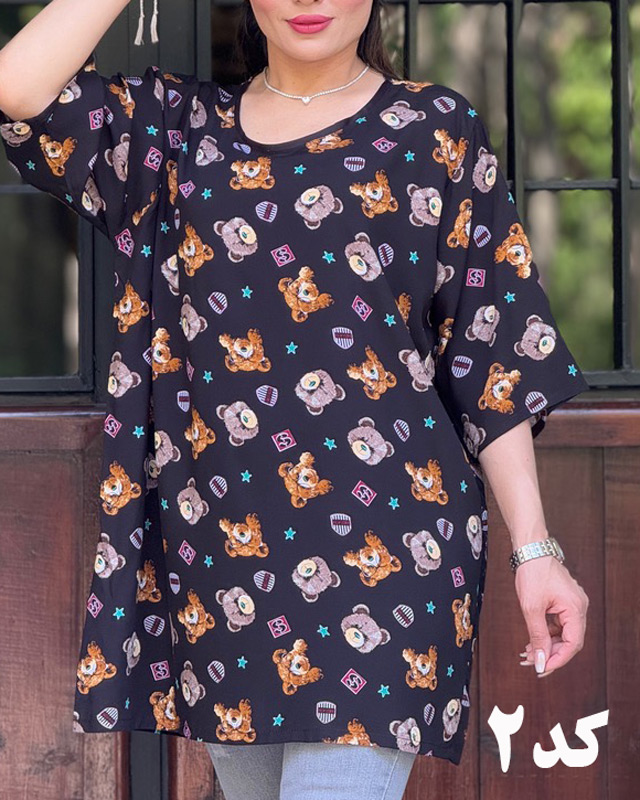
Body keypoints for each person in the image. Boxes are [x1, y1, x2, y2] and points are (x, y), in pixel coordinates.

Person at [0, 1, 590, 798]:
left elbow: (493, 358)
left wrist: (535, 550)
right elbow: (19, 86)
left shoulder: (435, 131)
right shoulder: (177, 135)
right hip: (224, 562)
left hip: (394, 555)